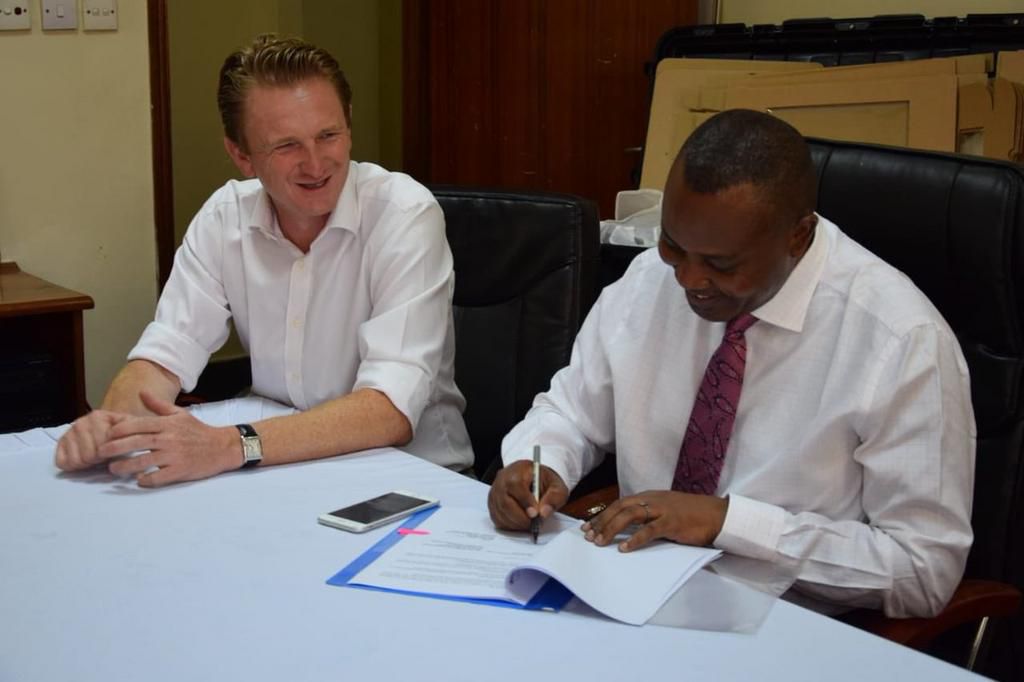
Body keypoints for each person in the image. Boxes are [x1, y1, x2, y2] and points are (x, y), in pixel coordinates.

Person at [488, 109, 975, 618]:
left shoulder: (901, 340)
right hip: (630, 590)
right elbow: (571, 411)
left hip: (789, 624)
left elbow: (923, 568)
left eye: (721, 265)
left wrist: (729, 523)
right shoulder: (648, 280)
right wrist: (536, 464)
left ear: (798, 237)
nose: (688, 280)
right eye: (674, 246)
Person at [55, 34, 473, 486]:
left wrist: (230, 445)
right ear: (241, 155)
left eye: (328, 135)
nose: (316, 164)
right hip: (281, 467)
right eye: (286, 145)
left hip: (409, 480)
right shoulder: (225, 217)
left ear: (349, 125)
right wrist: (113, 424)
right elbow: (165, 353)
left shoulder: (404, 214)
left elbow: (389, 409)